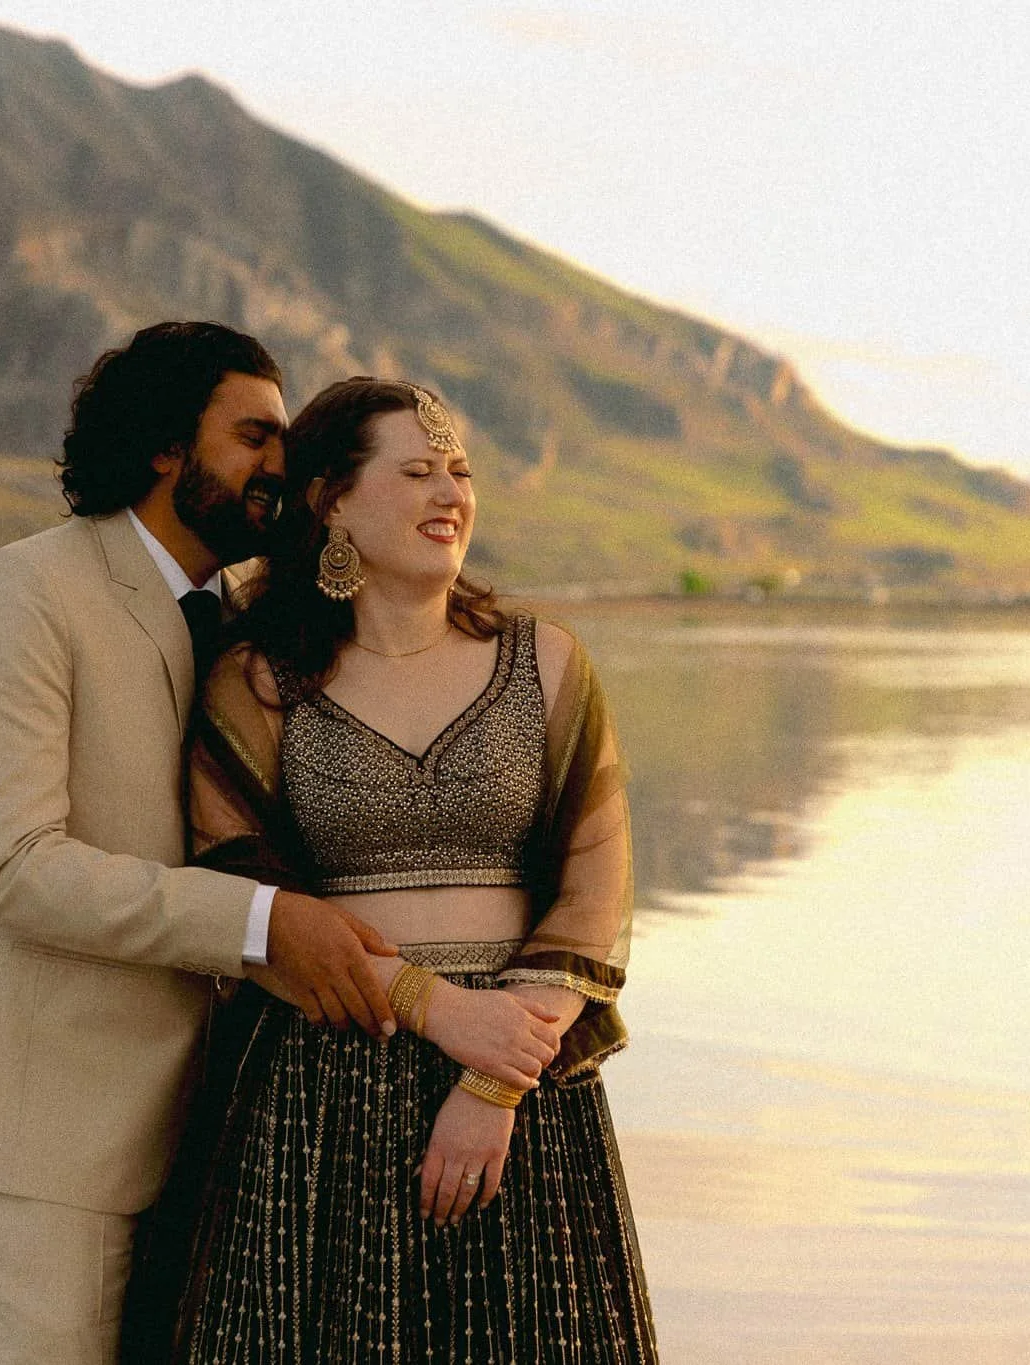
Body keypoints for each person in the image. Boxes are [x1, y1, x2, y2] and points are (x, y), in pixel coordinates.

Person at [0, 323, 405, 1365]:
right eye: (252, 435)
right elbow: (15, 870)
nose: (279, 464)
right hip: (48, 1127)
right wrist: (263, 928)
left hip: (202, 1127)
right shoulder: (26, 593)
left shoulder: (250, 623)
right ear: (167, 446)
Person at [152, 377, 659, 1362]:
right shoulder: (257, 679)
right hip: (325, 1083)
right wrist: (435, 1007)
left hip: (525, 1079)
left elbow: (597, 880)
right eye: (417, 471)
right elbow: (245, 895)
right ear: (330, 501)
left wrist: (493, 1081)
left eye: (460, 473)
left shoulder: (546, 662)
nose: (450, 494)